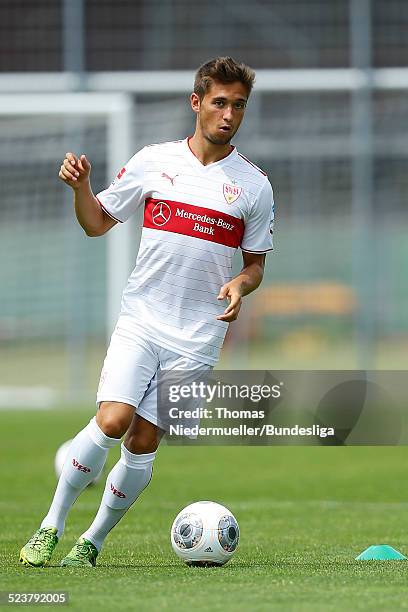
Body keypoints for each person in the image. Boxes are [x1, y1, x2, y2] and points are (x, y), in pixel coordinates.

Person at [19, 56, 275, 568]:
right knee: (112, 419)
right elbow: (96, 224)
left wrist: (240, 286)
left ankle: (90, 542)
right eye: (220, 103)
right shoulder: (154, 160)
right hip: (142, 319)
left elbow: (255, 266)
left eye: (238, 106)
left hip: (198, 336)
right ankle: (51, 525)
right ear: (196, 103)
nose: (228, 115)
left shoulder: (254, 186)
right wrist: (80, 189)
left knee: (143, 440)